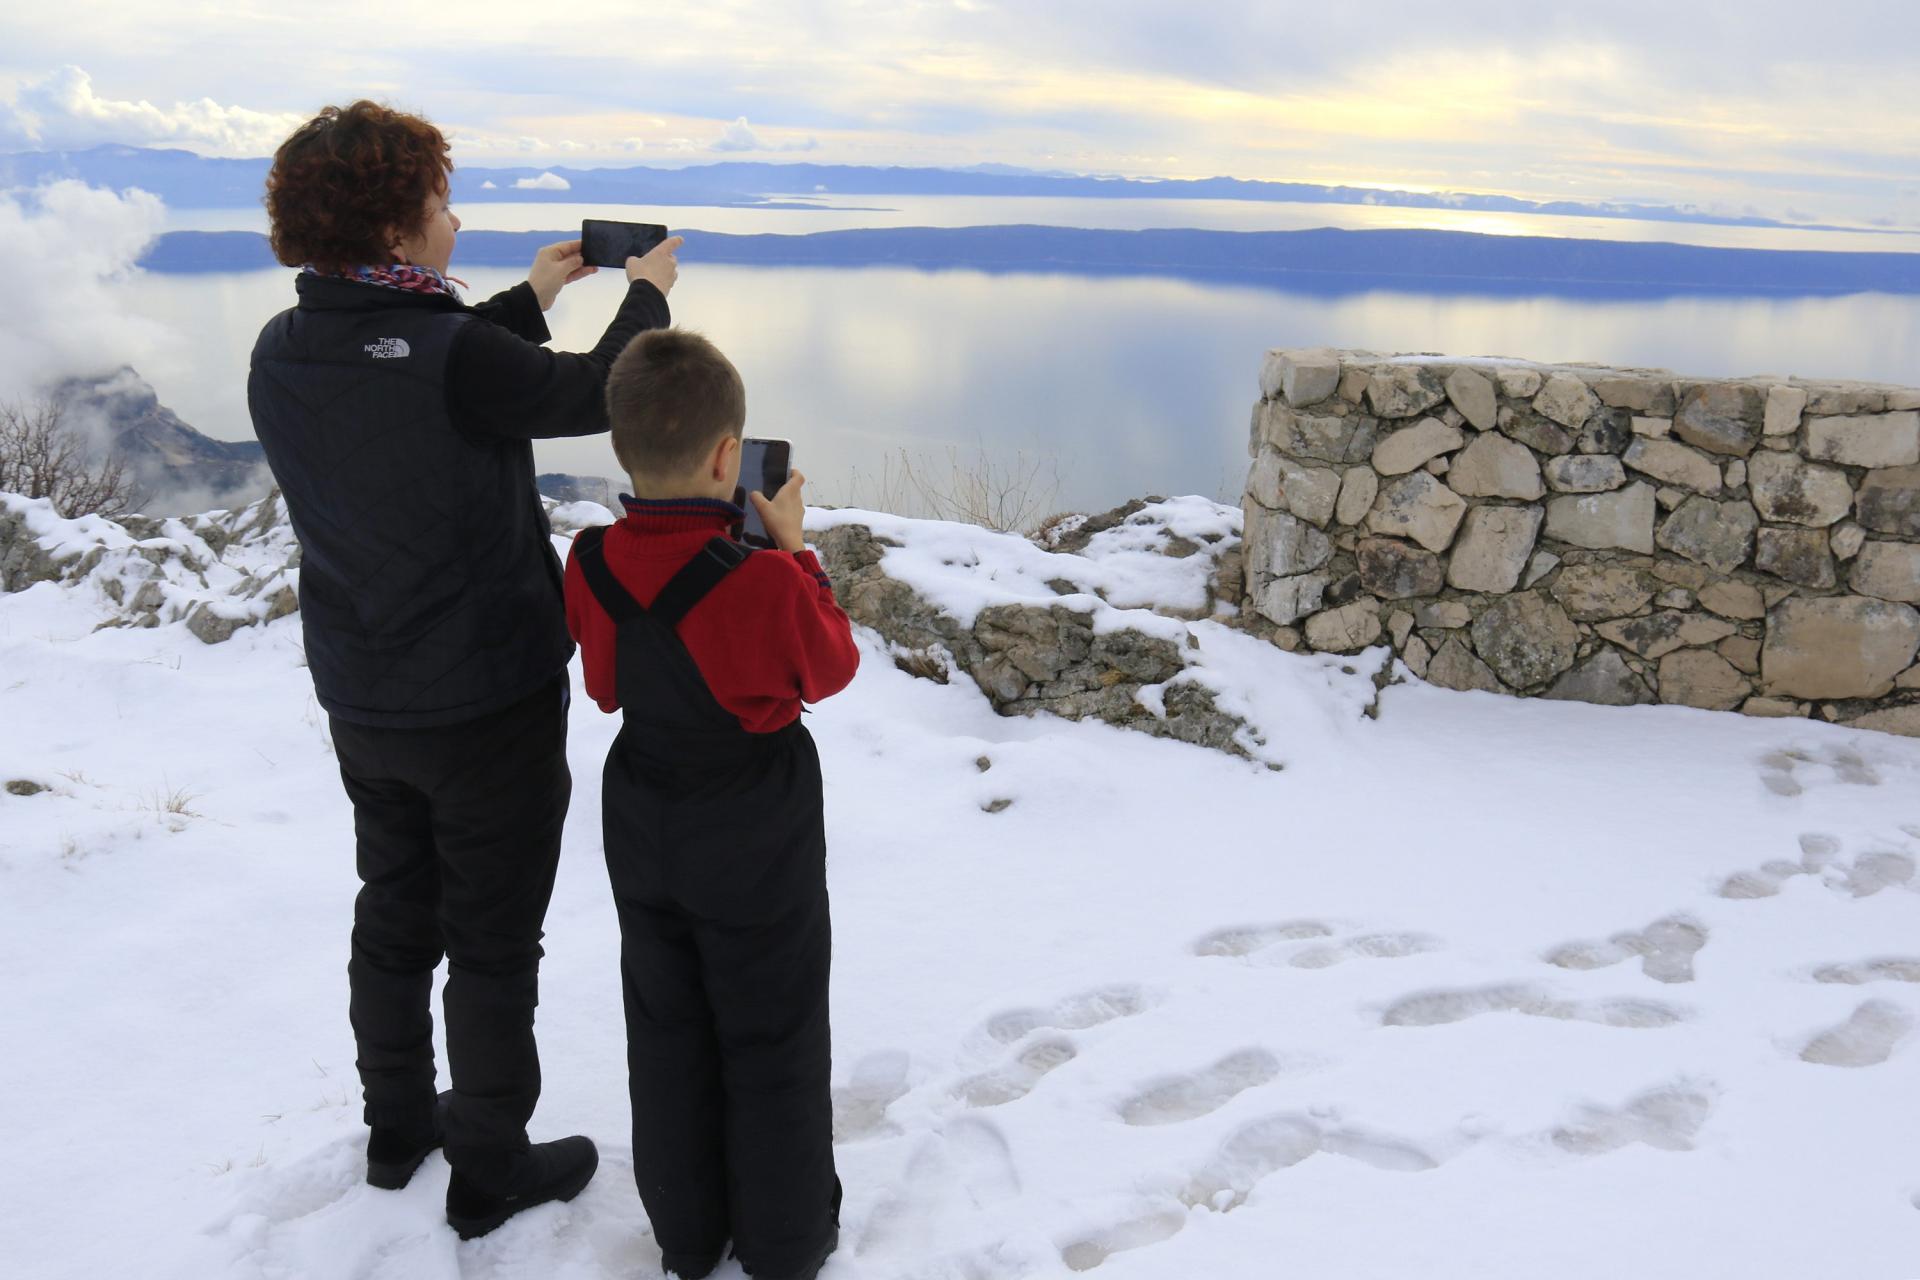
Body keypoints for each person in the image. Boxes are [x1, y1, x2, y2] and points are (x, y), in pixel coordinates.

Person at [246, 99, 683, 1239]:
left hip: (364, 691)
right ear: (397, 231)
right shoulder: (446, 352)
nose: (454, 215)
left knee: (395, 909)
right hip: (486, 696)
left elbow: (425, 370)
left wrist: (533, 299)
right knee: (493, 938)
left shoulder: (285, 345)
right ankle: (490, 1167)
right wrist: (647, 295)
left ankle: (398, 1128)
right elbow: (592, 395)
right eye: (438, 201)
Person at [563, 329, 859, 1280]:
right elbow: (832, 666)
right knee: (770, 1026)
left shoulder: (592, 560)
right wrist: (797, 556)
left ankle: (688, 1235)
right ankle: (783, 1243)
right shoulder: (764, 579)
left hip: (642, 804)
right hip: (753, 815)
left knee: (665, 1020)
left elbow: (605, 689)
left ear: (621, 448)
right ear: (731, 458)